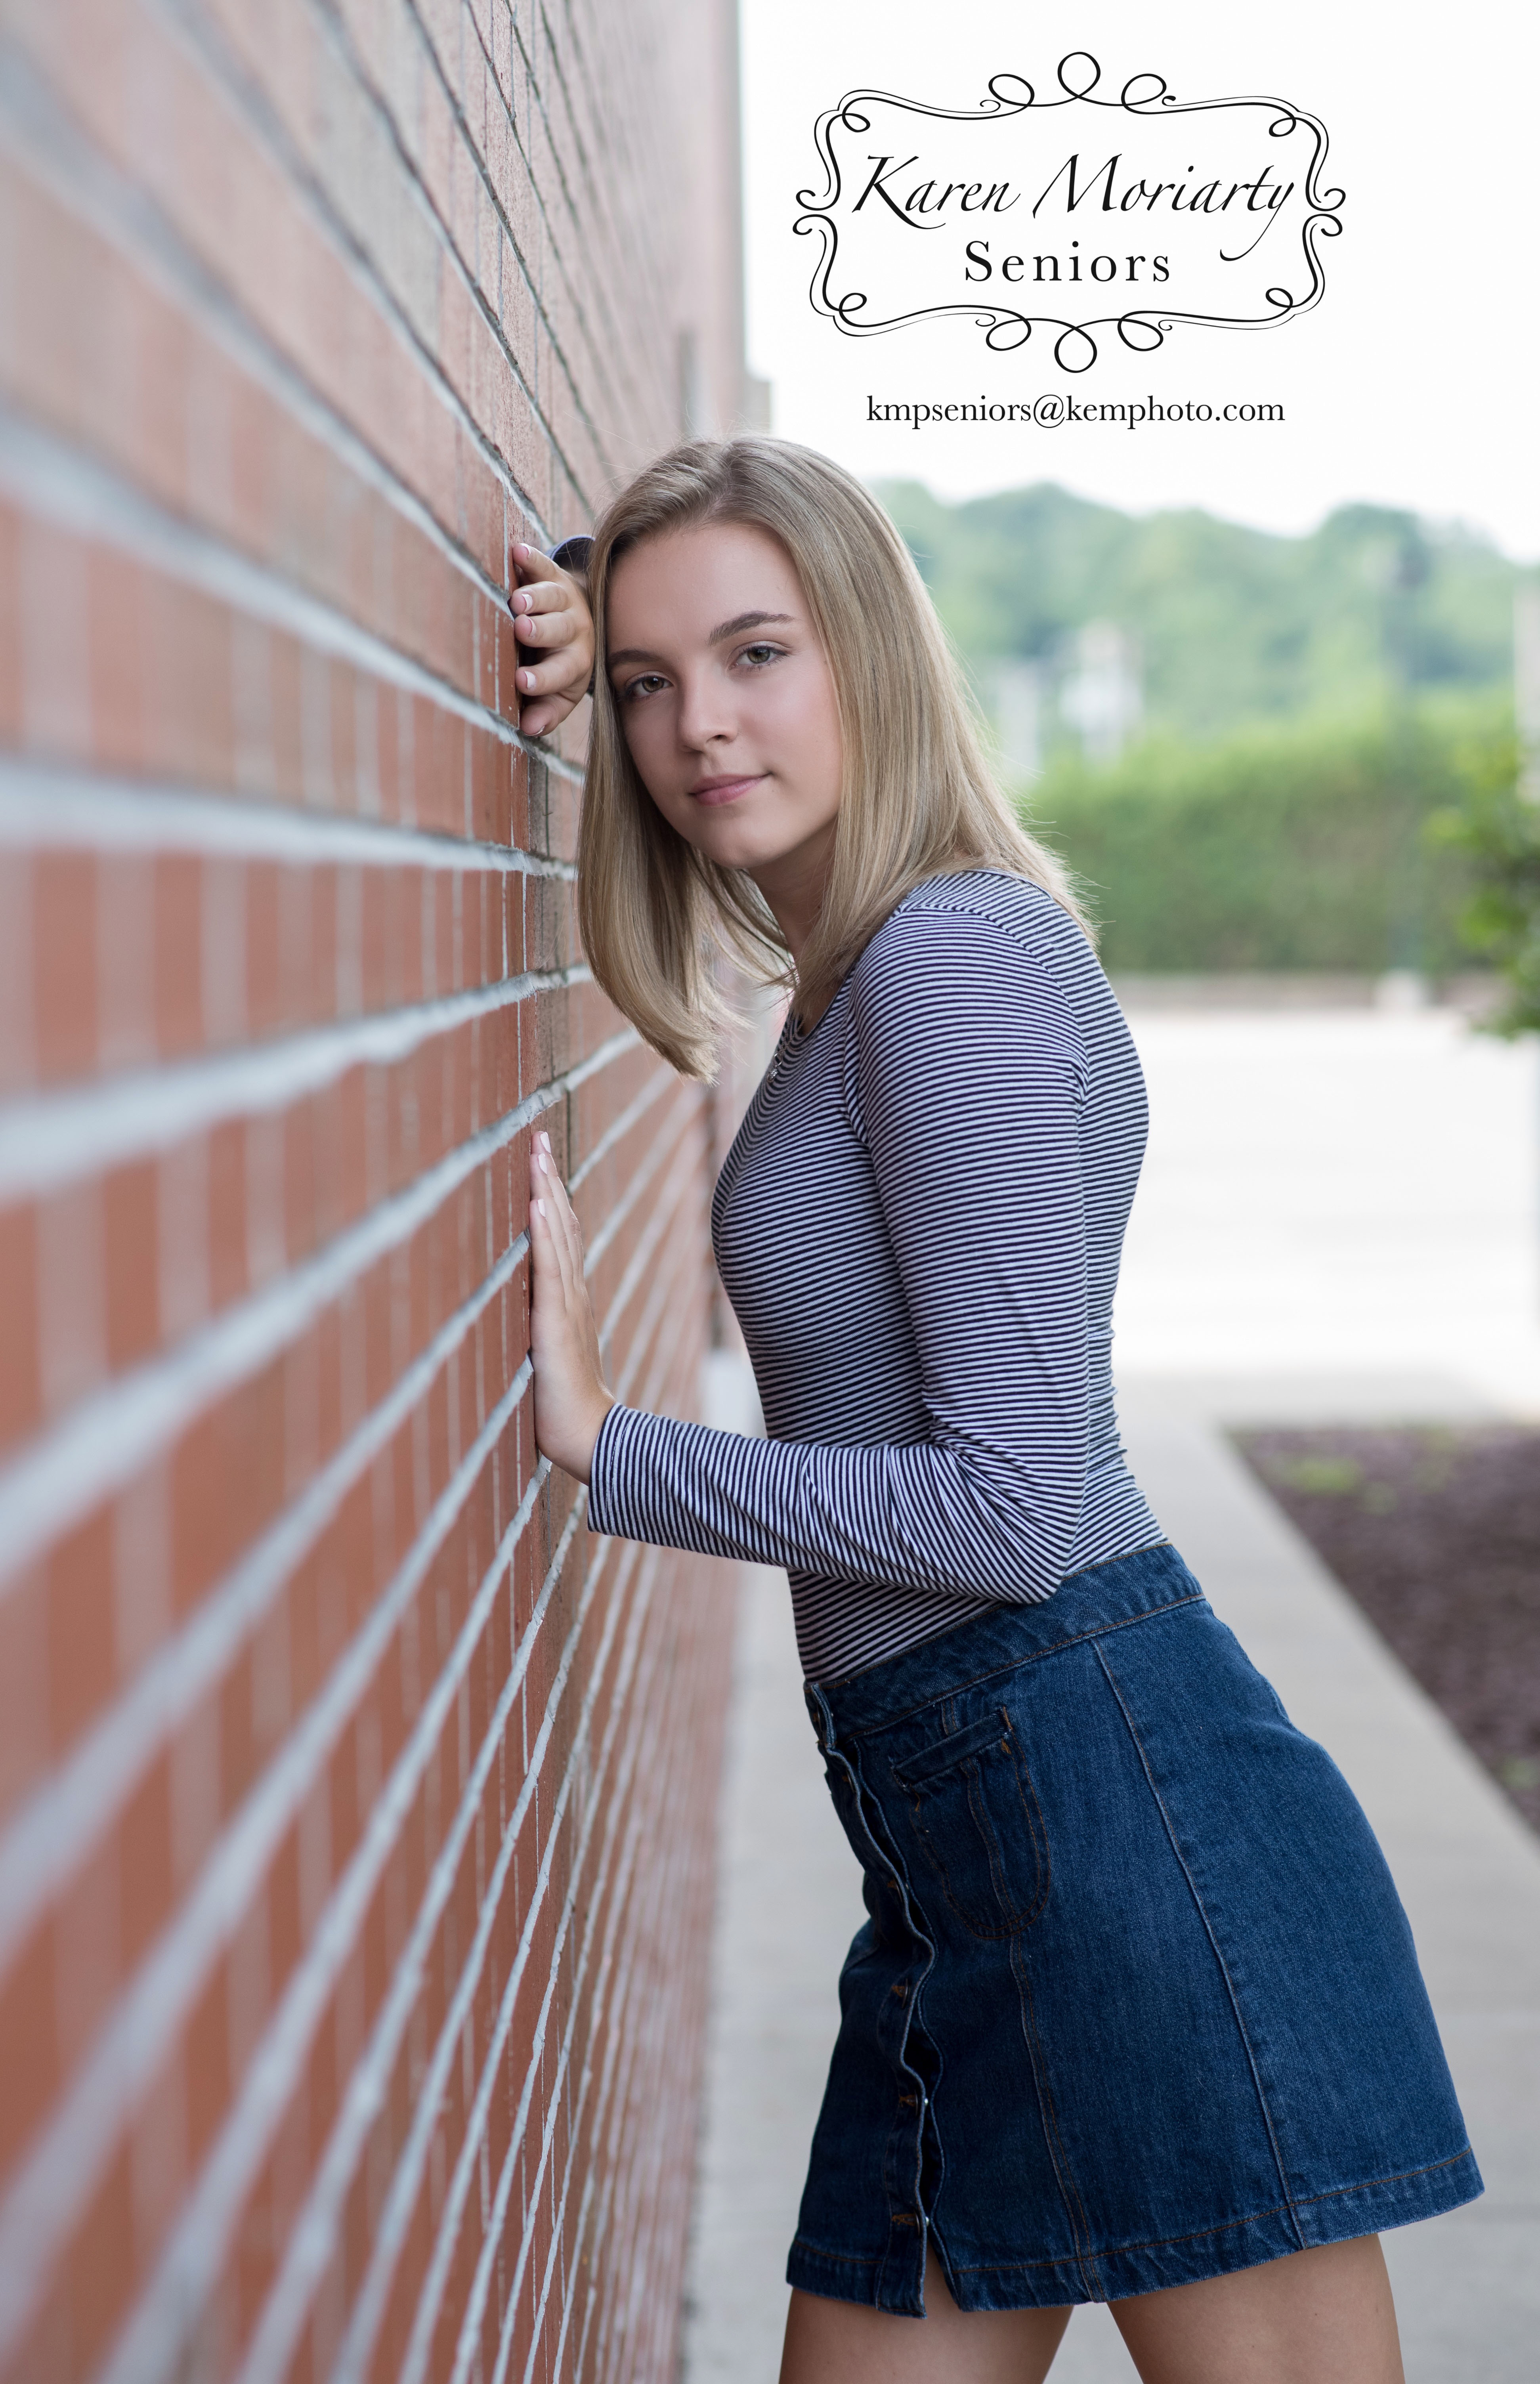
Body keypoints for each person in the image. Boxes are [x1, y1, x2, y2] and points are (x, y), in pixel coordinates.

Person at [523, 438, 1481, 2384]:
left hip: (1112, 1809)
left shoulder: (950, 957)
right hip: (956, 1843)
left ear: (872, 650)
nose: (699, 724)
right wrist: (578, 583)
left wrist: (611, 1444)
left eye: (759, 655)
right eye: (646, 681)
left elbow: (1012, 1508)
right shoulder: (860, 961)